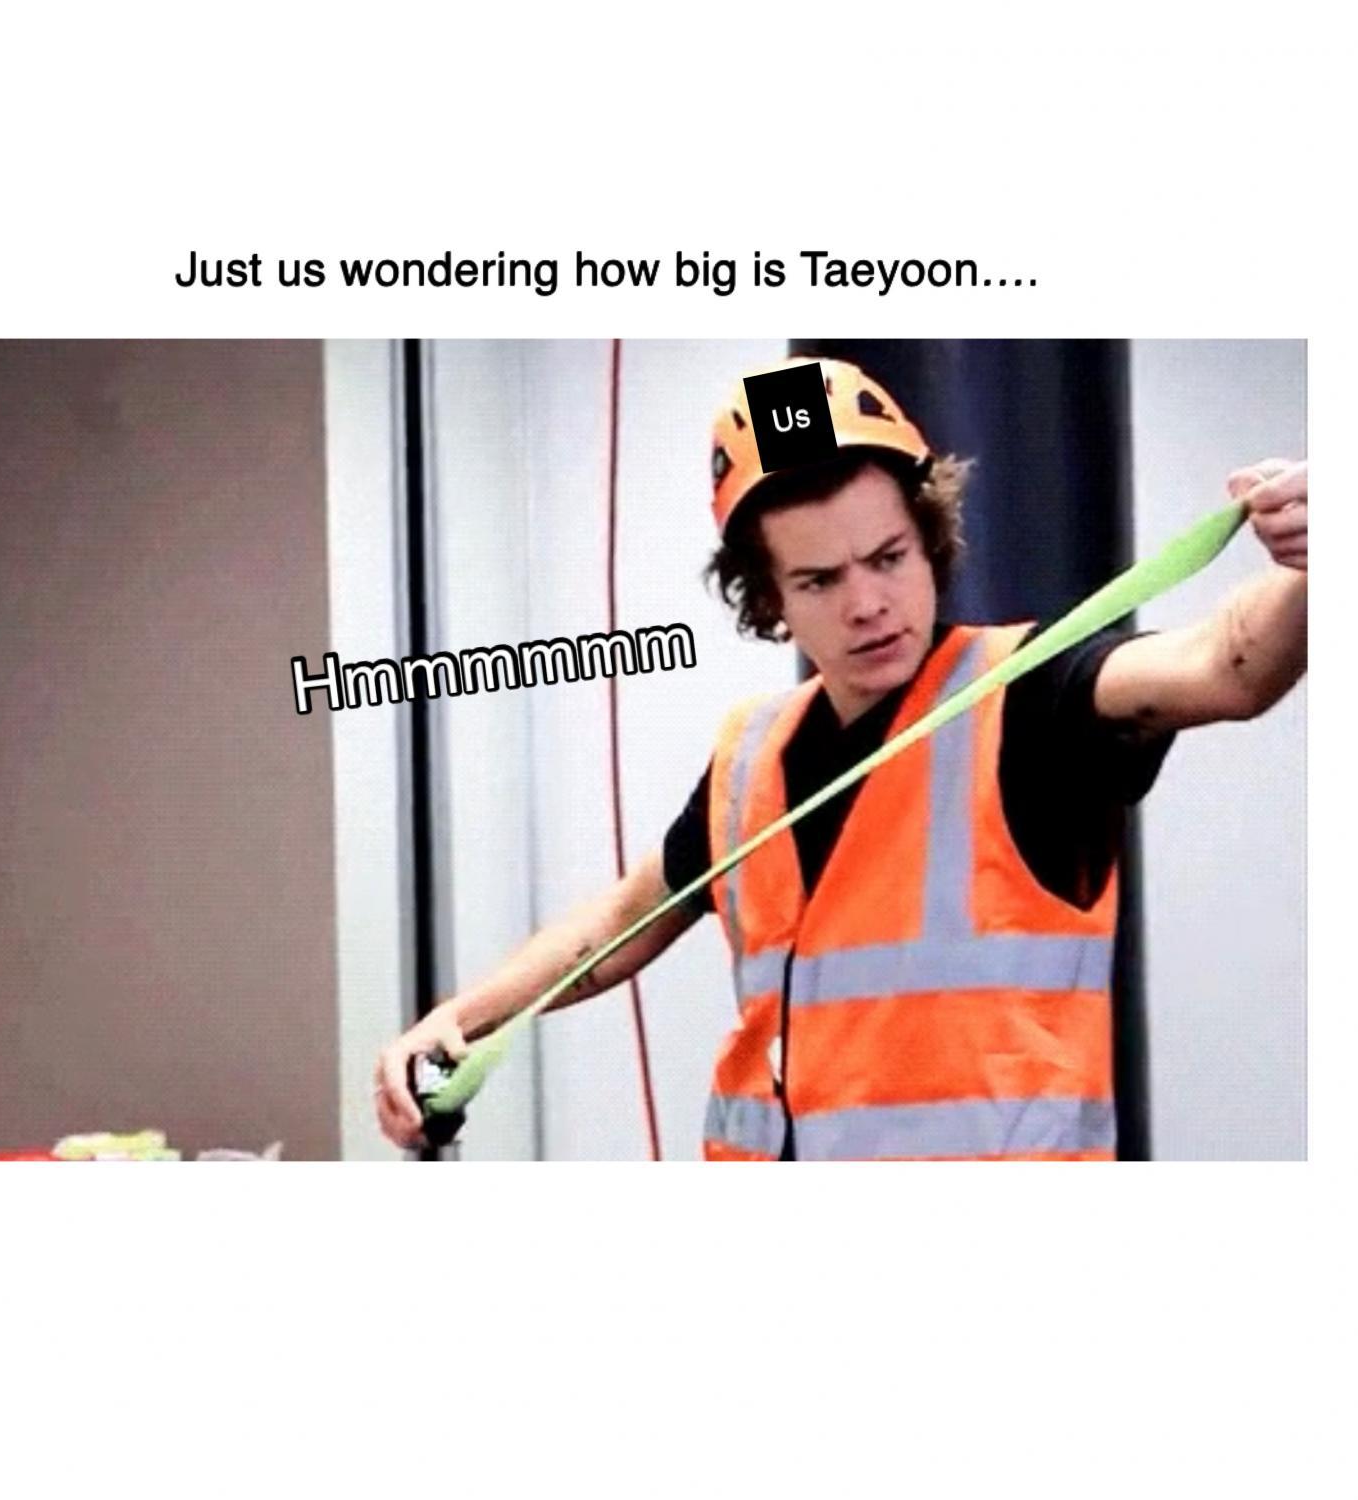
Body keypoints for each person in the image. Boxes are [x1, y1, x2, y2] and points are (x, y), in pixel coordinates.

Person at [374, 357, 1307, 1159]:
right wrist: (463, 1017)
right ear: (768, 599)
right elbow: (622, 920)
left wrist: (1314, 562)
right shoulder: (751, 757)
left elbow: (1227, 664)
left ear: (929, 543)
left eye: (888, 557)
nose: (867, 603)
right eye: (819, 580)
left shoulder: (1029, 695)